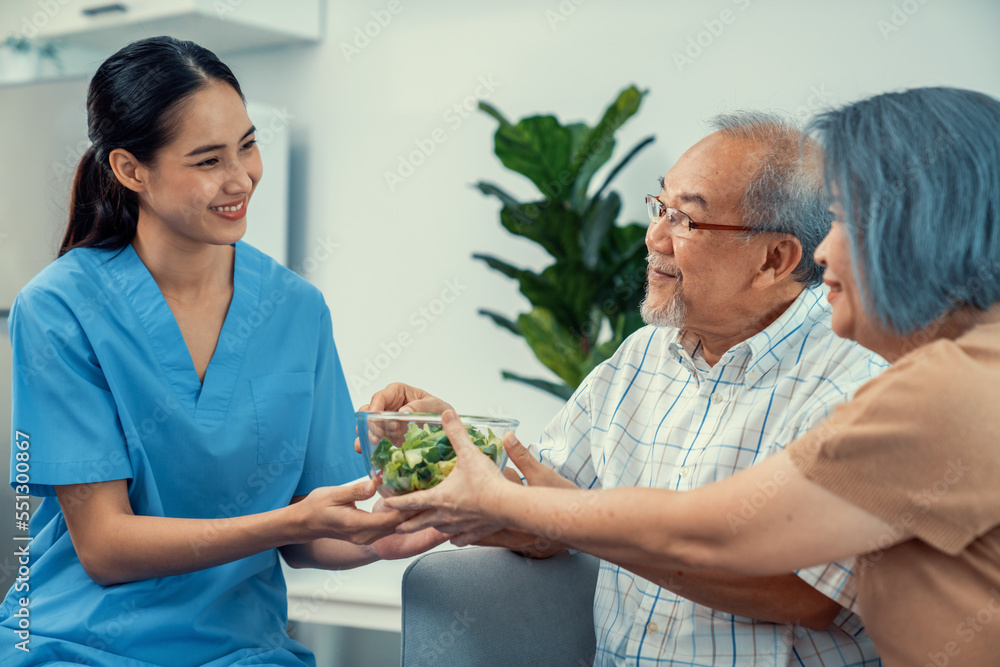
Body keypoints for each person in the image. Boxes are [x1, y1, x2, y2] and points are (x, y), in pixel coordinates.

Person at [386, 86, 1000, 666]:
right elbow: (546, 496)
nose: (822, 253)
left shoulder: (939, 387)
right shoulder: (954, 372)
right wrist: (447, 444)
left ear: (917, 230)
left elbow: (722, 536)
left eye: (842, 220)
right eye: (662, 208)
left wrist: (527, 505)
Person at [0, 36, 440, 666]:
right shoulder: (61, 307)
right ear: (130, 170)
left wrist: (385, 535)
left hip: (243, 652)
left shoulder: (296, 309)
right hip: (77, 644)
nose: (240, 179)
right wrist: (289, 525)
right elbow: (105, 546)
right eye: (207, 161)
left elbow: (315, 527)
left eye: (248, 145)